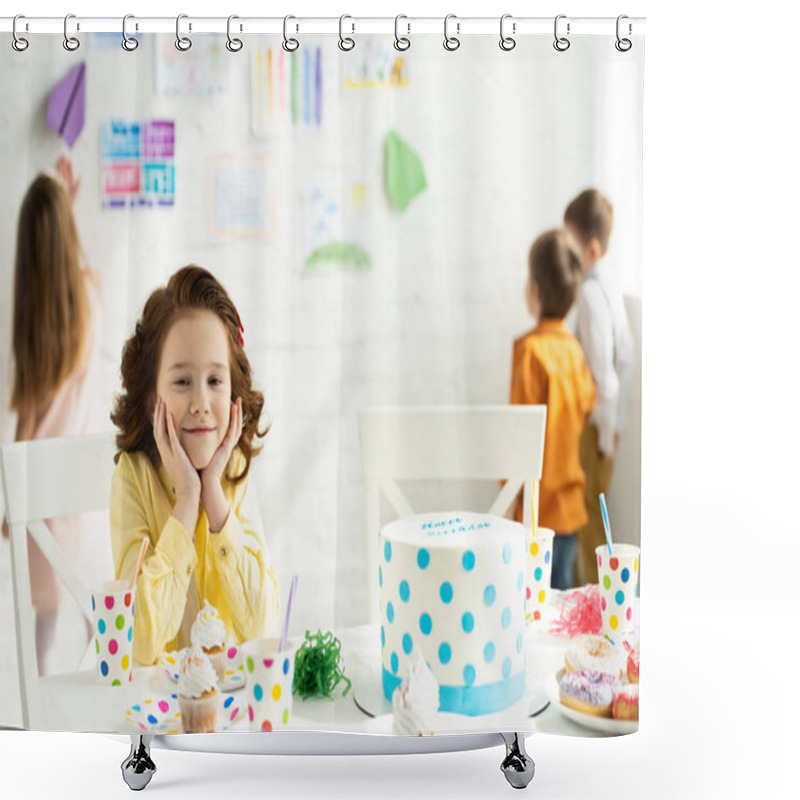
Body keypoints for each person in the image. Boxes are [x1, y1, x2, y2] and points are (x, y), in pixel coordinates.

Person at [110, 265, 279, 666]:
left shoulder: (234, 469)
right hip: (158, 712)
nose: (202, 402)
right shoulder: (133, 478)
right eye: (182, 382)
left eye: (215, 381)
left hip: (231, 710)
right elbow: (136, 642)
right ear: (153, 400)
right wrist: (187, 501)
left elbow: (261, 626)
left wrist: (215, 501)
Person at [3, 157, 108, 675]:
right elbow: (78, 262)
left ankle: (40, 713)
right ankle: (100, 697)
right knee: (96, 612)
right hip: (78, 489)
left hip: (39, 490)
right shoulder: (91, 297)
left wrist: (9, 499)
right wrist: (67, 203)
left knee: (42, 625)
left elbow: (24, 425)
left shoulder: (32, 327)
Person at [510, 230, 596, 590]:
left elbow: (515, 438)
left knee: (532, 609)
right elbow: (588, 404)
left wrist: (509, 496)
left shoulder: (529, 352)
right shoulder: (574, 350)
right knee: (562, 611)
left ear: (535, 290)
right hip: (569, 510)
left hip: (535, 513)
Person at [563, 189, 635, 584]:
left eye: (570, 249)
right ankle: (598, 599)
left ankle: (594, 601)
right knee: (593, 513)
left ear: (590, 248)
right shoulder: (609, 282)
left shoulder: (591, 292)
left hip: (594, 428)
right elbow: (627, 355)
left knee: (588, 516)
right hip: (605, 424)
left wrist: (606, 433)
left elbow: (605, 374)